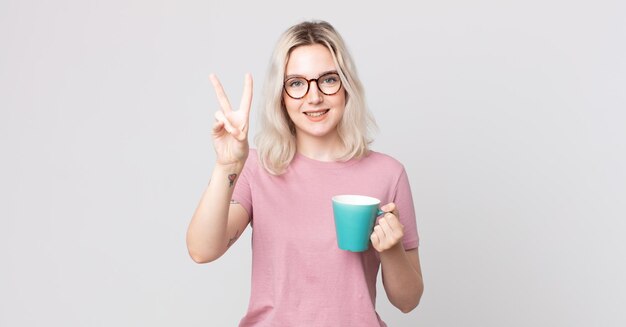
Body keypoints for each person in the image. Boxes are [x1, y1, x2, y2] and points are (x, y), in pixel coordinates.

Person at [186, 20, 423, 327]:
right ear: (281, 97)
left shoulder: (388, 174)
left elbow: (408, 301)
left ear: (346, 86)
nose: (313, 97)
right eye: (297, 83)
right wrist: (227, 165)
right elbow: (202, 250)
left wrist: (391, 250)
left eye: (327, 80)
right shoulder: (257, 168)